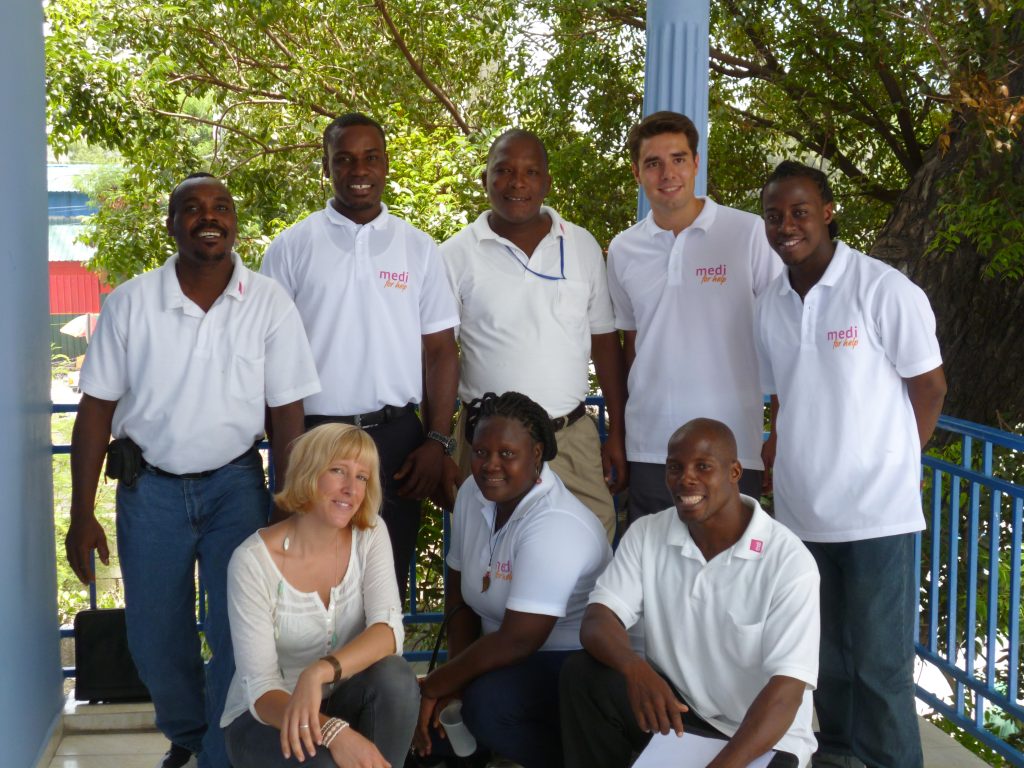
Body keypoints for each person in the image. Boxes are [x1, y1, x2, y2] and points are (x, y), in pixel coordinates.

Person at [65, 173, 321, 768]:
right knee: (155, 639)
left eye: (221, 207)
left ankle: (217, 754)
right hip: (149, 492)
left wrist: (289, 507)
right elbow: (95, 412)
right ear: (171, 223)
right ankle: (191, 735)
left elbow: (287, 417)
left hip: (236, 487)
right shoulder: (131, 302)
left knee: (240, 633)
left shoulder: (268, 302)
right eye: (192, 208)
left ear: (235, 221)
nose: (210, 217)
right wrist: (82, 516)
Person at [754, 161, 947, 768]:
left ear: (829, 211)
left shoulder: (882, 289)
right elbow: (782, 395)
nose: (787, 226)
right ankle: (837, 758)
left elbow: (931, 387)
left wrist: (898, 460)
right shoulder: (770, 302)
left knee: (880, 669)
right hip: (802, 514)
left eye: (800, 212)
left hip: (874, 517)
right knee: (825, 661)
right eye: (775, 216)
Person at [260, 112, 460, 602]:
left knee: (383, 586)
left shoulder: (418, 248)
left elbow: (440, 352)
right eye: (344, 159)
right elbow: (269, 358)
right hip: (313, 439)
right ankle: (315, 681)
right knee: (307, 589)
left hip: (395, 444)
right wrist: (285, 458)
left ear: (386, 164)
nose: (359, 169)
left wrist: (437, 439)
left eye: (371, 157)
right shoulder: (290, 248)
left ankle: (374, 680)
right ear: (325, 167)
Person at [561, 418, 819, 768]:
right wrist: (635, 667)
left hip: (764, 736)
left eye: (703, 467)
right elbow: (597, 620)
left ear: (735, 472)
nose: (686, 479)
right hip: (683, 713)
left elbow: (785, 695)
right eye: (675, 467)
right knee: (585, 675)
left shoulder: (788, 561)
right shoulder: (647, 533)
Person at [440, 129, 628, 542]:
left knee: (592, 544)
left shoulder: (580, 245)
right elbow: (438, 355)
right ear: (485, 179)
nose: (517, 182)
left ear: (546, 182)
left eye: (530, 172)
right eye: (503, 171)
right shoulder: (454, 255)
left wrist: (619, 430)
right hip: (484, 445)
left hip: (569, 440)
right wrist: (438, 443)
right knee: (479, 554)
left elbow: (605, 344)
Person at [413, 392, 611, 768]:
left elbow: (521, 638)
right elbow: (458, 592)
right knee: (432, 723)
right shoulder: (473, 493)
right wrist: (453, 677)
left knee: (487, 706)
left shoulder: (555, 523)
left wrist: (441, 682)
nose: (490, 465)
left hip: (570, 662)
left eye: (507, 454)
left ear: (537, 454)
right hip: (504, 651)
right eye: (481, 452)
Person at [606, 111, 782, 522]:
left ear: (696, 163)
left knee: (731, 575)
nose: (668, 173)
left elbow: (781, 333)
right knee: (655, 576)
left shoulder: (748, 233)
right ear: (637, 172)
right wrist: (620, 431)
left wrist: (779, 430)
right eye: (653, 163)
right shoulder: (623, 249)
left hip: (732, 445)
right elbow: (631, 344)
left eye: (679, 159)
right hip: (651, 446)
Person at [221, 423, 419, 768]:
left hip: (341, 694)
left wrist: (319, 672)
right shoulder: (252, 561)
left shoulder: (371, 532)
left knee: (396, 679)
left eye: (362, 477)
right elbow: (262, 689)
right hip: (268, 717)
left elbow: (389, 632)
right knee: (324, 762)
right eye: (338, 471)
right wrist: (334, 732)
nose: (350, 489)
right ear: (308, 473)